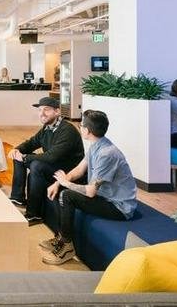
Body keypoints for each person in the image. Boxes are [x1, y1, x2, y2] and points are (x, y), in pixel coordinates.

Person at [41, 110, 137, 265]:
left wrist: (67, 184)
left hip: (119, 207)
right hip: (104, 196)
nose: (79, 126)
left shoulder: (107, 153)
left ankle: (67, 247)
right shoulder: (96, 145)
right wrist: (58, 182)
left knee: (67, 195)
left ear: (87, 130)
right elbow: (79, 169)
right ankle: (61, 237)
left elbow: (91, 192)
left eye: (81, 124)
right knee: (62, 189)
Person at [10, 97, 85, 226]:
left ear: (57, 112)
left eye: (46, 110)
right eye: (40, 110)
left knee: (36, 165)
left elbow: (51, 157)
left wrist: (25, 157)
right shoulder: (47, 128)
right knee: (19, 157)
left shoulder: (67, 131)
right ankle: (18, 198)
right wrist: (17, 150)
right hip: (54, 165)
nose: (41, 113)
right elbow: (32, 142)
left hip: (67, 172)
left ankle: (34, 214)